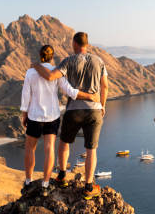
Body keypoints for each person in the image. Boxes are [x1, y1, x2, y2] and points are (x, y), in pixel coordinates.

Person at [32, 32, 108, 200]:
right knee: (91, 149)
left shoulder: (68, 61)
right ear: (87, 44)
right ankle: (89, 187)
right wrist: (102, 105)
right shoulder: (99, 61)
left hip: (74, 111)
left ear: (75, 44)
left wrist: (36, 66)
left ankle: (61, 176)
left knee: (64, 143)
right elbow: (105, 86)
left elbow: (51, 76)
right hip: (94, 110)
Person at [20, 44, 98, 195]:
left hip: (34, 116)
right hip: (52, 117)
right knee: (49, 148)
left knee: (30, 148)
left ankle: (28, 181)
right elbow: (70, 91)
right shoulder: (57, 73)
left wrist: (24, 114)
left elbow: (25, 95)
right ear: (52, 56)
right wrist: (90, 96)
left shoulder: (30, 72)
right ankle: (45, 184)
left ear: (40, 55)